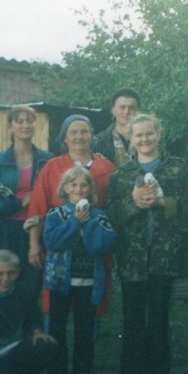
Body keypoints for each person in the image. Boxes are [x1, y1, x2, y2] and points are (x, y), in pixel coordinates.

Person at [106, 114, 188, 374]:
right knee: (132, 316)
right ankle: (130, 373)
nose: (144, 139)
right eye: (139, 135)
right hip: (132, 257)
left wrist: (162, 202)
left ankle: (159, 370)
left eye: (149, 133)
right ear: (131, 140)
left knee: (159, 314)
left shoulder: (179, 169)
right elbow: (110, 214)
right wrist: (133, 202)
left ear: (159, 134)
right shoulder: (122, 174)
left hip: (165, 256)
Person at [43, 166, 117, 374]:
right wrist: (75, 222)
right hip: (60, 282)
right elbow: (53, 241)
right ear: (65, 188)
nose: (78, 188)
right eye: (73, 184)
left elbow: (100, 247)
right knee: (57, 329)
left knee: (85, 332)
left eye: (83, 185)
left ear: (90, 190)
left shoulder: (100, 216)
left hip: (88, 284)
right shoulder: (56, 213)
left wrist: (88, 221)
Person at [24, 115, 115, 271]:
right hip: (61, 244)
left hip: (95, 243)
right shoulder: (53, 166)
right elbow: (38, 207)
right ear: (64, 137)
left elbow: (115, 208)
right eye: (73, 132)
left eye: (84, 132)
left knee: (95, 292)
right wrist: (34, 245)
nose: (79, 136)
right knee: (60, 292)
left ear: (92, 136)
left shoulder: (107, 167)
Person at [0, 105, 53, 294]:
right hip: (3, 232)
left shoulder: (48, 161)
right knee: (1, 286)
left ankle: (30, 324)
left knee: (32, 285)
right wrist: (19, 202)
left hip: (36, 232)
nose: (25, 125)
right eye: (19, 121)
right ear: (10, 126)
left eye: (30, 120)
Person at [92, 88, 141, 167]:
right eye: (122, 107)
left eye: (131, 108)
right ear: (113, 110)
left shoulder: (148, 140)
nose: (126, 112)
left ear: (138, 111)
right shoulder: (99, 142)